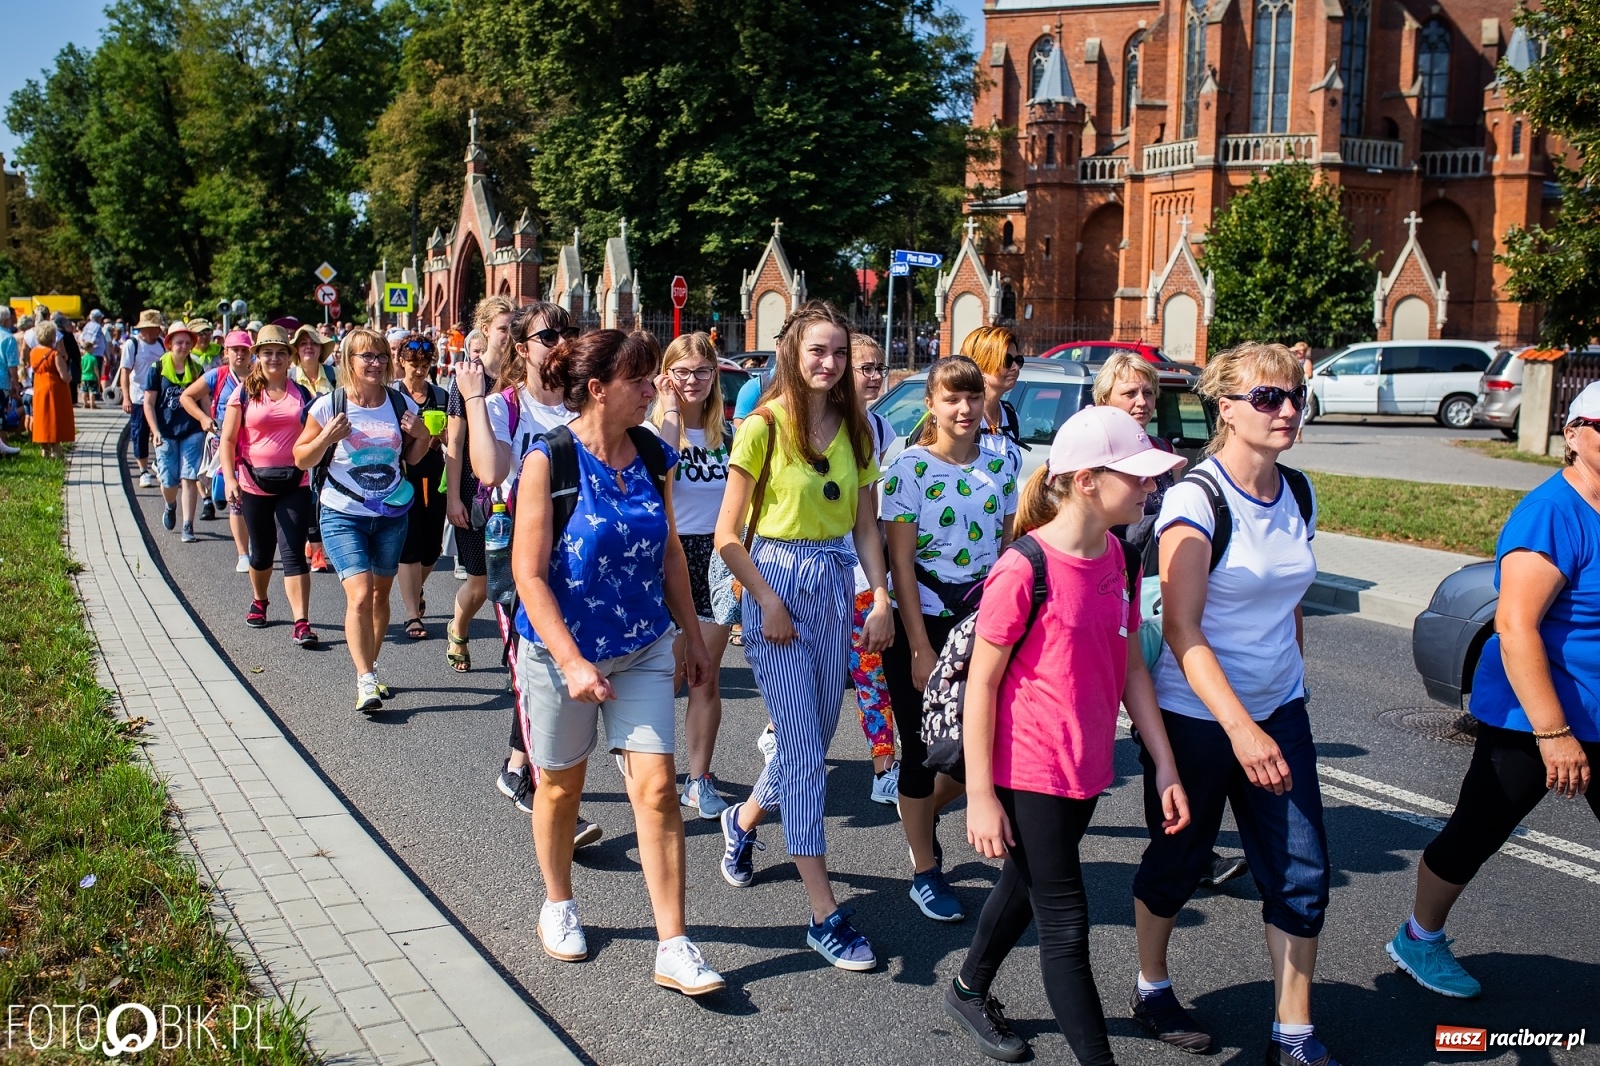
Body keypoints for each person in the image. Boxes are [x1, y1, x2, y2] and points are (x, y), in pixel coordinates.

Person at [945, 405, 1190, 1065]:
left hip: (1086, 765)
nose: (1149, 488)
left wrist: (1164, 763)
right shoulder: (1025, 569)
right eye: (1135, 477)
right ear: (1086, 481)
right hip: (1030, 767)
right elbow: (983, 686)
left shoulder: (1117, 553)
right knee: (1065, 921)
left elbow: (1131, 664)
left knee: (1024, 882)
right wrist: (979, 795)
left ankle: (968, 989)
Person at [1131, 342, 1334, 1066]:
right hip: (1198, 720)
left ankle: (1294, 1033)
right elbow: (1181, 628)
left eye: (1294, 397)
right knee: (1179, 863)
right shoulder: (1197, 498)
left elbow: (1292, 606)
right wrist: (1241, 729)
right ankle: (1152, 984)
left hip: (1279, 711)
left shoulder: (1299, 492)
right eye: (1268, 398)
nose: (1287, 411)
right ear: (1226, 408)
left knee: (1302, 874)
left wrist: (1291, 689)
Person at [511, 328, 724, 996]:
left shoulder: (658, 453)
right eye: (639, 379)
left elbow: (667, 555)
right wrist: (572, 662)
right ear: (598, 389)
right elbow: (529, 575)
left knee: (658, 789)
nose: (653, 387)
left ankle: (674, 945)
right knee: (560, 789)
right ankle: (558, 900)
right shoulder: (551, 459)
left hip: (642, 646)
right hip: (559, 655)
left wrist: (690, 633)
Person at [1386, 381, 1600, 1000]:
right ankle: (1419, 937)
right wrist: (1554, 735)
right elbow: (1514, 626)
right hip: (1533, 719)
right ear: (1574, 434)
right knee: (1475, 834)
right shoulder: (1550, 514)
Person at [712, 299, 893, 970]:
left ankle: (742, 821)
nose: (831, 362)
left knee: (809, 741)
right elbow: (729, 536)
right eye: (818, 350)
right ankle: (823, 913)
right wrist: (766, 600)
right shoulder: (762, 426)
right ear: (792, 354)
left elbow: (868, 526)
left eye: (839, 352)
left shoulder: (860, 427)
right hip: (777, 584)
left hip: (836, 582)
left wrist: (878, 599)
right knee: (805, 755)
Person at [1095, 353, 1249, 891]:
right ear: (1104, 401)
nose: (1140, 403)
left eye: (1146, 394)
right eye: (1128, 394)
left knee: (1157, 731)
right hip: (1101, 608)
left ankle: (1183, 846)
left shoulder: (1165, 461)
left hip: (1150, 611)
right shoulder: (1090, 459)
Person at [457, 304, 601, 849]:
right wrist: (473, 399)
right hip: (519, 556)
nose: (560, 342)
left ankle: (516, 767)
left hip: (580, 558)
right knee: (527, 662)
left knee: (554, 668)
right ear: (522, 349)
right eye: (548, 335)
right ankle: (543, 790)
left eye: (569, 332)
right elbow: (491, 472)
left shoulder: (583, 405)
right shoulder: (501, 407)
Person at [881, 355, 1018, 925]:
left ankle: (919, 813)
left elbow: (1011, 556)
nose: (964, 409)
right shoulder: (908, 470)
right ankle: (924, 869)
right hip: (926, 623)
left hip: (983, 625)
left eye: (971, 397)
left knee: (977, 748)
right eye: (951, 399)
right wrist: (918, 646)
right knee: (919, 750)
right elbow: (901, 565)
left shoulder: (1003, 468)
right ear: (931, 405)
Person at [293, 327, 432, 711]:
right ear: (349, 361)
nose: (376, 363)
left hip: (390, 513)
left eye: (381, 356)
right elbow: (300, 458)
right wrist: (325, 439)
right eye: (367, 357)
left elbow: (415, 458)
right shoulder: (329, 404)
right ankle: (365, 679)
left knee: (379, 596)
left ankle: (370, 667)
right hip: (342, 513)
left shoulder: (398, 402)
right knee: (358, 596)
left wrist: (422, 435)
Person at [649, 331, 735, 819]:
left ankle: (697, 778)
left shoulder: (733, 433)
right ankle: (647, 761)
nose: (693, 380)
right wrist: (668, 410)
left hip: (719, 556)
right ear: (667, 375)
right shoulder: (653, 429)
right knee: (668, 672)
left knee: (705, 674)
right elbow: (663, 471)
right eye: (682, 371)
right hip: (668, 555)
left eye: (702, 370)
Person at [220, 325, 317, 646]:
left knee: (293, 553)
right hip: (253, 483)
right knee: (260, 555)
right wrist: (230, 479)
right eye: (267, 352)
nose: (274, 358)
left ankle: (301, 622)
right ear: (257, 357)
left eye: (280, 353)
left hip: (295, 482)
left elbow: (316, 433)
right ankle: (260, 600)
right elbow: (228, 440)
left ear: (289, 358)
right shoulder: (244, 392)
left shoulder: (302, 394)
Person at [445, 296, 517, 676]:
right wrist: (453, 497)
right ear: (486, 330)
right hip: (476, 492)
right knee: (480, 582)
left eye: (513, 329)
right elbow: (455, 442)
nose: (509, 336)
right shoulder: (468, 378)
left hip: (515, 490)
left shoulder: (521, 376)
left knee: (519, 580)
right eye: (503, 328)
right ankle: (458, 627)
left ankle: (517, 660)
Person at [846, 332, 901, 803]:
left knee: (871, 670)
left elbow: (874, 507)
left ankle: (884, 762)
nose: (874, 375)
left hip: (863, 572)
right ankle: (777, 734)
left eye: (878, 366)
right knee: (819, 678)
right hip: (811, 573)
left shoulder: (881, 429)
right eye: (864, 366)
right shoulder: (819, 424)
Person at [393, 334, 449, 641]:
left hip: (435, 475)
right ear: (401, 361)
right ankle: (412, 613)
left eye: (425, 363)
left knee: (432, 550)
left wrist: (438, 436)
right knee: (409, 546)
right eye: (413, 363)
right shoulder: (393, 396)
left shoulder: (441, 396)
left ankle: (417, 589)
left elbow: (455, 439)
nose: (418, 369)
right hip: (402, 476)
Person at [183, 330, 256, 563]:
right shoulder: (218, 375)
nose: (240, 354)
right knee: (237, 500)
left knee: (255, 499)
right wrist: (204, 418)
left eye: (244, 350)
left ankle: (256, 545)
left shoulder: (260, 375)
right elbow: (186, 396)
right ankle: (243, 553)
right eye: (235, 350)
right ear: (226, 352)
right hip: (226, 444)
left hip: (256, 445)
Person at [144, 321, 207, 541]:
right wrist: (155, 431)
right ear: (169, 343)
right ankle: (170, 505)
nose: (183, 346)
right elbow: (149, 403)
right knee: (169, 482)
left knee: (189, 477)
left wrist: (208, 424)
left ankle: (188, 526)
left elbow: (204, 399)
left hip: (192, 430)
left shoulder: (197, 368)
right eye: (179, 342)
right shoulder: (158, 368)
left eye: (187, 342)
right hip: (166, 431)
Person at [291, 323, 339, 572]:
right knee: (307, 499)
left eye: (313, 343)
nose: (308, 347)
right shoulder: (289, 377)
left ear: (321, 349)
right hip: (299, 446)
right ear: (297, 350)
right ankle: (314, 546)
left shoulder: (334, 375)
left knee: (319, 496)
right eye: (303, 343)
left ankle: (317, 549)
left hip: (330, 448)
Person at [960, 325, 1024, 461]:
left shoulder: (1010, 415)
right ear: (980, 365)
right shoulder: (962, 417)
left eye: (1018, 361)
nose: (1016, 367)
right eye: (1007, 361)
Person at [121, 309, 167, 487]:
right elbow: (125, 372)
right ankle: (143, 470)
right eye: (156, 327)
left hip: (159, 397)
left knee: (160, 432)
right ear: (147, 328)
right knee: (139, 433)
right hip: (139, 397)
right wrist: (126, 398)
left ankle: (159, 464)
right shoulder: (132, 345)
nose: (159, 330)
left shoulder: (162, 344)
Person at [29, 320, 75, 458]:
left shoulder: (34, 352)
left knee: (42, 417)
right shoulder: (54, 355)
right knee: (55, 418)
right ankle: (56, 450)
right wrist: (71, 377)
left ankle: (44, 450)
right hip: (54, 391)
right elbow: (64, 376)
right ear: (52, 337)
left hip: (39, 388)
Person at [0, 307, 23, 456]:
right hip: (2, 382)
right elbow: (12, 364)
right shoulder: (8, 337)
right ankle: (3, 448)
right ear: (6, 320)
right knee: (1, 414)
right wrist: (16, 383)